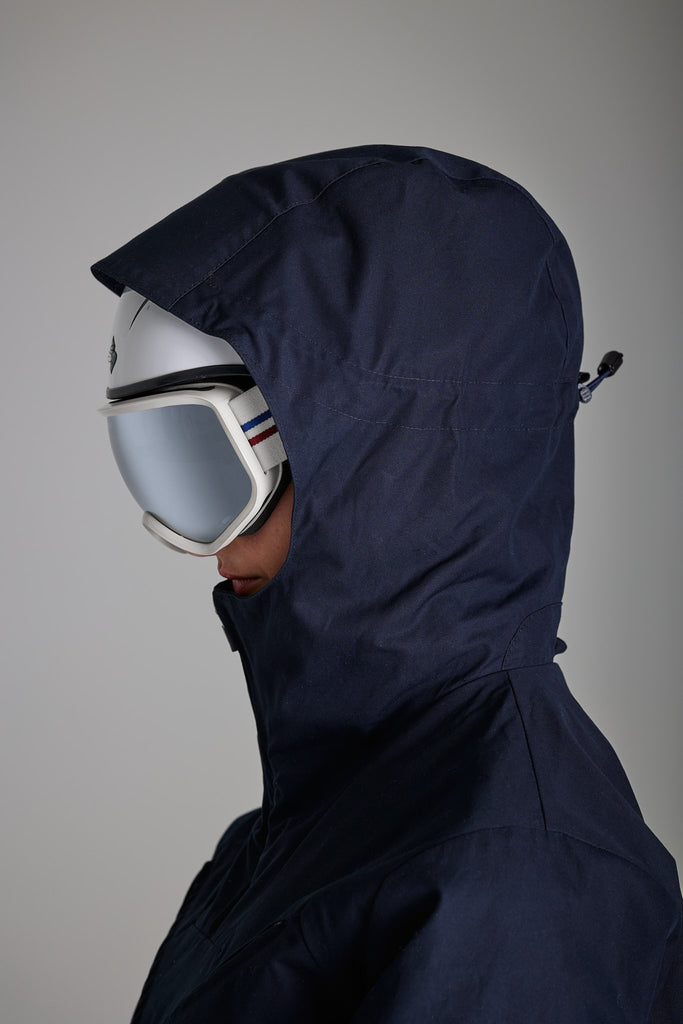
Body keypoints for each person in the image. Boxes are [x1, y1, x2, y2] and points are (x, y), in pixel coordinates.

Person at [93, 145, 682, 1023]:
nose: (217, 554)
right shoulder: (298, 832)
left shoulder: (516, 885)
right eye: (159, 468)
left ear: (391, 464)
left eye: (217, 470)